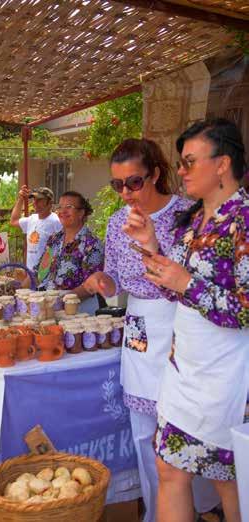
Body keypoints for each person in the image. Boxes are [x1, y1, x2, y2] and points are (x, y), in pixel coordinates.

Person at [83, 138, 219, 522]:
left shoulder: (187, 216)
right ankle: (159, 512)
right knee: (145, 434)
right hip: (140, 328)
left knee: (190, 428)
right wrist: (105, 284)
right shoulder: (115, 223)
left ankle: (203, 507)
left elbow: (192, 279)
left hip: (183, 325)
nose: (126, 193)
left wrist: (152, 244)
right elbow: (116, 281)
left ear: (156, 174)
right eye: (117, 185)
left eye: (134, 182)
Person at [123, 118, 248, 522]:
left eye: (190, 162)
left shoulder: (243, 220)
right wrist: (151, 247)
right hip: (186, 371)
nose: (181, 170)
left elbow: (245, 309)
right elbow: (171, 286)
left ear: (222, 164)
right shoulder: (195, 220)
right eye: (180, 162)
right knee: (168, 467)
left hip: (226, 376)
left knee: (231, 481)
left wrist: (188, 283)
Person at [35, 190, 104, 314]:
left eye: (69, 207)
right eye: (60, 207)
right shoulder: (54, 239)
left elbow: (91, 285)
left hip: (80, 312)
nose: (62, 211)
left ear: (81, 213)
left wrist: (62, 301)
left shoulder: (92, 243)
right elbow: (41, 271)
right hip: (51, 309)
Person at [10, 185, 61, 271]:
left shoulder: (56, 221)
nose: (35, 203)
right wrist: (20, 199)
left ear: (50, 203)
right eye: (34, 199)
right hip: (30, 274)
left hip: (46, 276)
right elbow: (13, 221)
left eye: (39, 200)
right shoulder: (32, 219)